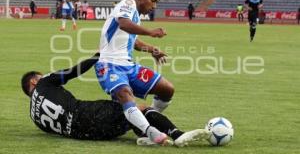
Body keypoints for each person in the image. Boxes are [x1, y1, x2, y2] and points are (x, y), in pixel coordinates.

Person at [21, 54, 209, 146]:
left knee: (125, 112)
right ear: (33, 81)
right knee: (137, 108)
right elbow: (73, 71)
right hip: (86, 114)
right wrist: (98, 57)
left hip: (85, 134)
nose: (43, 75)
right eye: (40, 75)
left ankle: (143, 135)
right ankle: (177, 135)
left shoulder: (33, 115)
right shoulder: (43, 83)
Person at [94, 0, 176, 145]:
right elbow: (124, 24)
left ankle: (147, 117)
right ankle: (150, 131)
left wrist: (152, 50)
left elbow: (133, 41)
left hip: (128, 66)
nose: (154, 6)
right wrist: (151, 32)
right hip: (109, 64)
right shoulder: (128, 3)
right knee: (125, 93)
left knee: (167, 89)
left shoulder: (136, 17)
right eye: (153, 0)